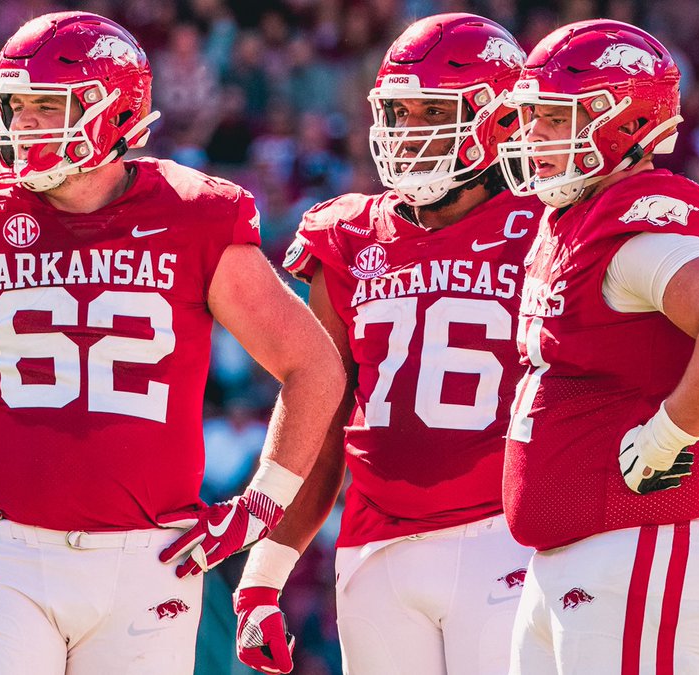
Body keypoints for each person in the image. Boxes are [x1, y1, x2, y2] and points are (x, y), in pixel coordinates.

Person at [0, 11, 345, 675]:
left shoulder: (193, 216)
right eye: (14, 107)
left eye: (46, 104)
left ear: (116, 108)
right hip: (1, 552)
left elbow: (314, 366)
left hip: (150, 558)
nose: (24, 125)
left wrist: (259, 504)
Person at [231, 14, 538, 675]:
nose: (411, 129)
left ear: (503, 118)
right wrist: (264, 572)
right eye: (400, 109)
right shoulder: (346, 236)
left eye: (434, 110)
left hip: (509, 539)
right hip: (375, 551)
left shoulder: (546, 227)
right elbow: (323, 415)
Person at [494, 19, 699, 674]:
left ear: (621, 121)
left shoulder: (639, 221)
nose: (533, 135)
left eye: (553, 118)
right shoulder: (576, 215)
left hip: (636, 544)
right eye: (532, 116)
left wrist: (667, 435)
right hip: (572, 557)